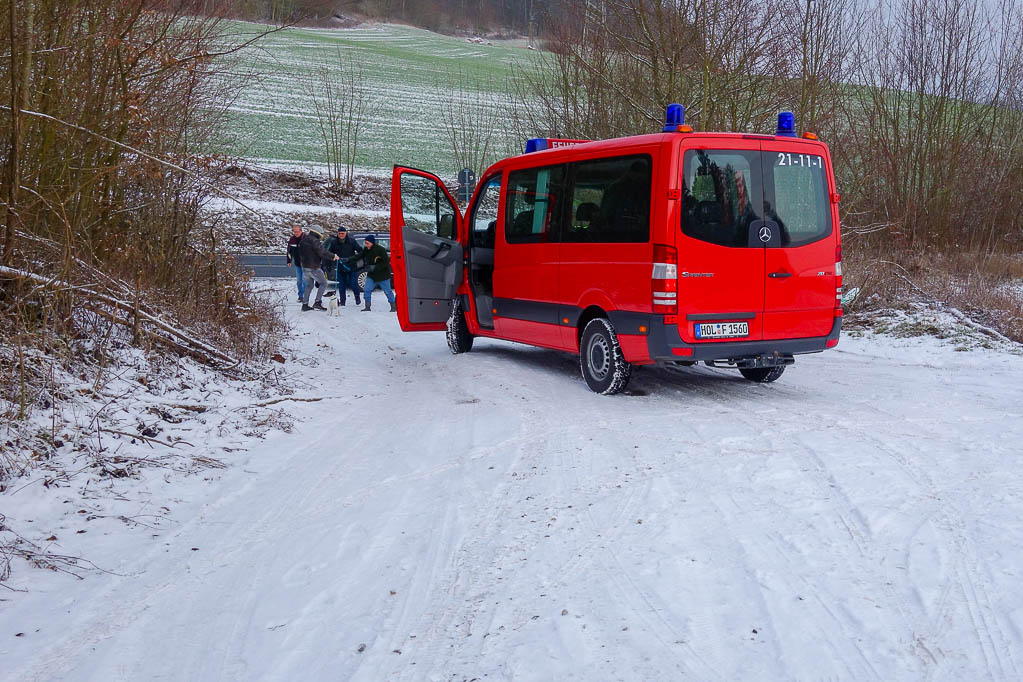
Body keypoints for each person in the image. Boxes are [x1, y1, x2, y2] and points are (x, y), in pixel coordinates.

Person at [352, 234, 395, 312]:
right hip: (371, 275)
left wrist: (375, 267)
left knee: (387, 291)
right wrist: (347, 259)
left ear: (372, 242)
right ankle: (367, 307)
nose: (366, 244)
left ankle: (393, 306)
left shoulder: (381, 250)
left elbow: (385, 263)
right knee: (367, 289)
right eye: (365, 242)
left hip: (383, 275)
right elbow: (358, 256)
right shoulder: (366, 249)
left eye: (367, 243)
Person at [298, 228, 339, 311]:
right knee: (323, 283)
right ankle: (318, 302)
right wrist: (333, 256)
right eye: (321, 234)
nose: (321, 236)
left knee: (309, 286)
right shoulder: (314, 241)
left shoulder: (303, 239)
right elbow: (322, 252)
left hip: (304, 267)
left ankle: (305, 305)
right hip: (314, 267)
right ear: (317, 233)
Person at [326, 227, 363, 306]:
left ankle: (357, 297)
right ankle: (343, 301)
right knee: (342, 286)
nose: (341, 235)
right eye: (339, 233)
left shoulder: (352, 241)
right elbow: (329, 254)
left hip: (351, 266)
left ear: (346, 233)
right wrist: (330, 262)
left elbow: (360, 251)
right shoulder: (334, 242)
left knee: (353, 284)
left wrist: (355, 259)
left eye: (342, 233)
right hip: (340, 267)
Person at [286, 224, 305, 302]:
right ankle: (300, 296)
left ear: (301, 231)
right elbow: (289, 252)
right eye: (294, 231)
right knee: (299, 281)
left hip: (306, 264)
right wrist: (289, 261)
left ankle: (305, 296)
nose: (296, 233)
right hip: (297, 263)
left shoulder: (305, 239)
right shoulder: (292, 240)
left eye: (297, 231)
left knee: (305, 281)